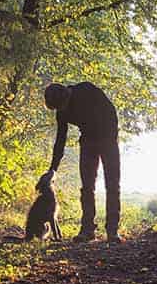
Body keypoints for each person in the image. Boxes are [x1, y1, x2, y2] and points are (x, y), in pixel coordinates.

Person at [39, 82, 123, 243]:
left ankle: (112, 231)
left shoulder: (87, 90)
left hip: (108, 140)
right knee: (87, 187)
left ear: (67, 95)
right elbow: (60, 140)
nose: (61, 110)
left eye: (62, 106)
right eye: (58, 108)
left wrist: (110, 138)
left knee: (112, 185)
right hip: (87, 142)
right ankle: (87, 230)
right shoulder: (61, 111)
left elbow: (111, 111)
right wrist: (53, 169)